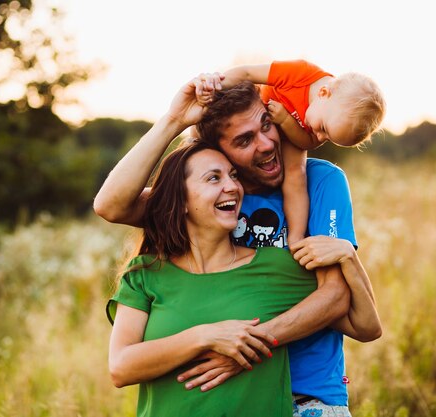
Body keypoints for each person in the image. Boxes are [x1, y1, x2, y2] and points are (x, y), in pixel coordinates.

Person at [96, 77, 381, 416]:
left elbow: (337, 297)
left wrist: (242, 348)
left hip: (310, 395)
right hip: (239, 395)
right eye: (244, 139)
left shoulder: (322, 181)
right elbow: (111, 205)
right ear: (219, 149)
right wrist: (173, 121)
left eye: (267, 124)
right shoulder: (214, 202)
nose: (266, 144)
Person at [109, 140, 331, 415]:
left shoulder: (276, 266)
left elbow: (346, 305)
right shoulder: (145, 273)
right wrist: (206, 336)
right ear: (182, 202)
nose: (232, 187)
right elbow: (120, 367)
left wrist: (347, 254)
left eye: (233, 175)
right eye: (214, 178)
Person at [196, 60, 386, 248]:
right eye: (322, 129)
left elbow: (305, 141)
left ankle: (295, 238)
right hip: (269, 104)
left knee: (296, 173)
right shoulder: (299, 74)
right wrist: (214, 85)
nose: (319, 137)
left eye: (327, 137)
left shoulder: (325, 180)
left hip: (291, 130)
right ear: (323, 93)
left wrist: (286, 121)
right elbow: (247, 73)